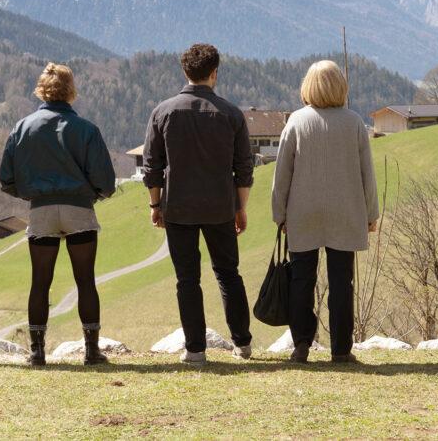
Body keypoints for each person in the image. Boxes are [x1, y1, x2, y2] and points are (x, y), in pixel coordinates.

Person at [143, 43, 254, 365]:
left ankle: (195, 349)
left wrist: (155, 205)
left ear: (185, 72)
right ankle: (242, 343)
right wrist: (240, 207)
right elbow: (243, 169)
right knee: (228, 273)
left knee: (187, 279)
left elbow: (151, 167)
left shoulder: (163, 111)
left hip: (178, 207)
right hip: (220, 206)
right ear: (214, 73)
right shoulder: (231, 114)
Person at [0, 63, 116, 367]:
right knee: (85, 280)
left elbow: (6, 178)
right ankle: (91, 350)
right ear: (70, 91)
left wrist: (29, 193)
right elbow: (106, 181)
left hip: (41, 210)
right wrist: (94, 194)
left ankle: (37, 352)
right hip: (79, 208)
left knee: (40, 282)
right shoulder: (87, 130)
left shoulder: (22, 127)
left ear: (42, 89)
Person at [271, 60, 379, 364]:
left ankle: (302, 344)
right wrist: (371, 212)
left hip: (302, 211)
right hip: (346, 211)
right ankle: (341, 349)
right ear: (340, 87)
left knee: (301, 280)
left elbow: (283, 174)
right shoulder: (354, 123)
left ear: (309, 86)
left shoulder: (296, 121)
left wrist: (280, 214)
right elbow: (366, 174)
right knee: (342, 282)